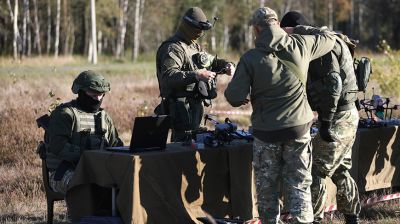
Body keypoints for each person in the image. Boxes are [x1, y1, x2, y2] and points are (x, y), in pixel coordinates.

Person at [224, 7, 337, 224]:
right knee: (299, 185)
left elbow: (234, 97)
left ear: (257, 30)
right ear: (277, 24)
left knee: (267, 190)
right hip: (299, 128)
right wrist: (300, 29)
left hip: (266, 133)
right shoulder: (301, 45)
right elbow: (329, 37)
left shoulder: (250, 58)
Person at [280, 11, 360, 224]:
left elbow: (334, 83)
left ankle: (313, 219)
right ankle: (352, 218)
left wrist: (326, 121)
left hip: (339, 117)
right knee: (341, 169)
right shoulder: (326, 39)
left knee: (314, 170)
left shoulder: (321, 47)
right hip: (346, 114)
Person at [155, 7, 235, 142]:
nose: (200, 33)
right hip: (180, 112)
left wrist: (227, 65)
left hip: (196, 109)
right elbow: (168, 77)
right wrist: (196, 75)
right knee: (182, 150)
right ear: (187, 27)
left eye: (202, 30)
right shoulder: (173, 48)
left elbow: (211, 62)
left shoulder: (194, 46)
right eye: (197, 29)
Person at [46, 70, 123, 194]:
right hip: (63, 172)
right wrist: (88, 156)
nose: (98, 98)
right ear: (80, 92)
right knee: (87, 185)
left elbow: (116, 145)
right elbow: (58, 147)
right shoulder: (65, 114)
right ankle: (83, 213)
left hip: (98, 169)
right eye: (93, 94)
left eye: (101, 94)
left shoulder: (104, 117)